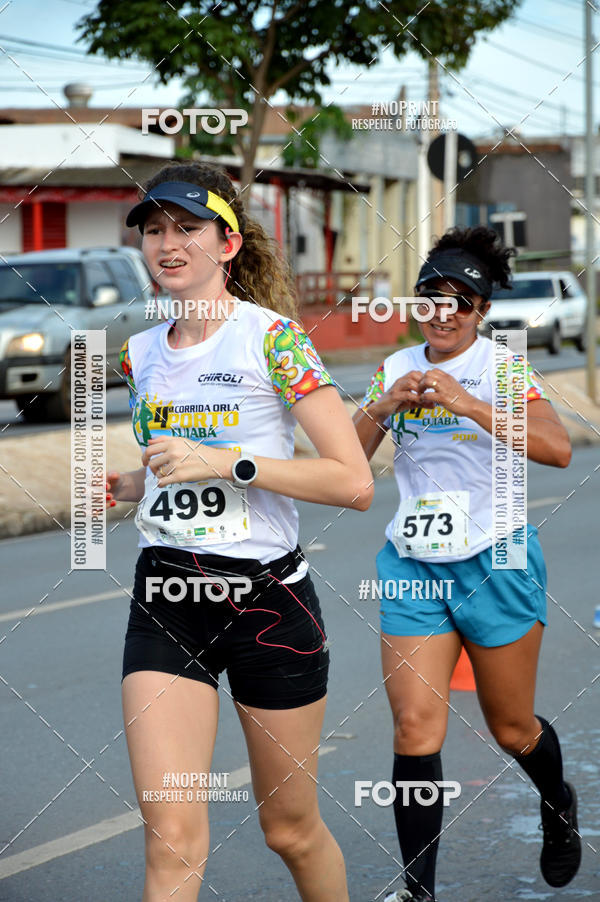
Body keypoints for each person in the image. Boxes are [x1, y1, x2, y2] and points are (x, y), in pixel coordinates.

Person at [106, 161, 374, 902]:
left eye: (187, 228)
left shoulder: (274, 341)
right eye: (155, 229)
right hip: (165, 597)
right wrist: (132, 486)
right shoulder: (140, 352)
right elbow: (172, 468)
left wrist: (227, 463)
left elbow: (351, 482)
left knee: (288, 828)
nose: (167, 243)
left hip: (267, 607)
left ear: (227, 244)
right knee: (172, 844)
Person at [352, 226, 581, 902]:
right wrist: (385, 406)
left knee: (511, 726)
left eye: (461, 300)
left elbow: (558, 449)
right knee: (415, 726)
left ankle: (557, 802)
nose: (444, 312)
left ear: (481, 312)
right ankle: (417, 889)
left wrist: (468, 403)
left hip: (498, 556)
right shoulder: (396, 368)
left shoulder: (500, 368)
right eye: (431, 297)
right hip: (414, 561)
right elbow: (348, 461)